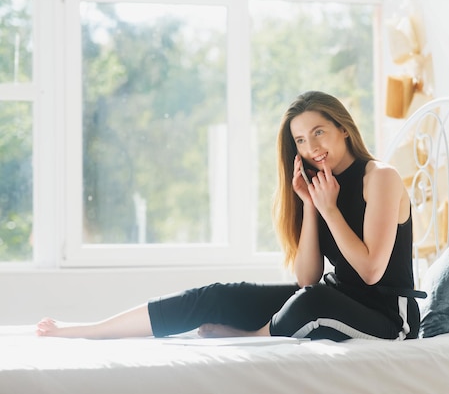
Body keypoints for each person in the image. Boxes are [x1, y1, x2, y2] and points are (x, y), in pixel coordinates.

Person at [36, 90, 422, 341]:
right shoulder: (321, 187)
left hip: (389, 318)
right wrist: (309, 205)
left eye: (319, 132)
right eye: (301, 140)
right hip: (331, 296)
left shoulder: (380, 178)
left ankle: (252, 338)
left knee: (311, 303)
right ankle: (90, 331)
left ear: (343, 128)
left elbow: (371, 271)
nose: (311, 147)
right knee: (218, 295)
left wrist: (329, 211)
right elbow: (307, 277)